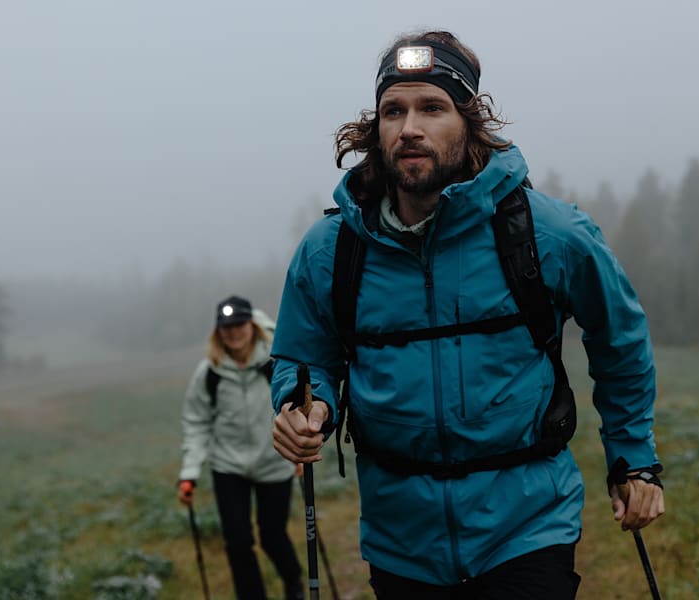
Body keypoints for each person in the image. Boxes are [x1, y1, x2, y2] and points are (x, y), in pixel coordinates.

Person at [269, 30, 665, 599]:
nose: (409, 127)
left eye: (432, 108)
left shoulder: (548, 233)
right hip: (400, 540)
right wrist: (304, 405)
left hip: (526, 528)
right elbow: (303, 357)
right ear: (376, 129)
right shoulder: (331, 251)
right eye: (393, 111)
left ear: (470, 122)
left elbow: (619, 337)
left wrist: (633, 459)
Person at [178, 295, 304, 600]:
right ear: (217, 331)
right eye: (226, 327)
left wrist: (299, 453)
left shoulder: (276, 363)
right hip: (228, 466)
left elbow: (296, 409)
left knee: (273, 536)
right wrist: (189, 473)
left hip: (274, 461)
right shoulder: (209, 372)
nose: (233, 332)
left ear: (252, 325)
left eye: (239, 324)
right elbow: (196, 422)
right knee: (237, 543)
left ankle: (294, 585)